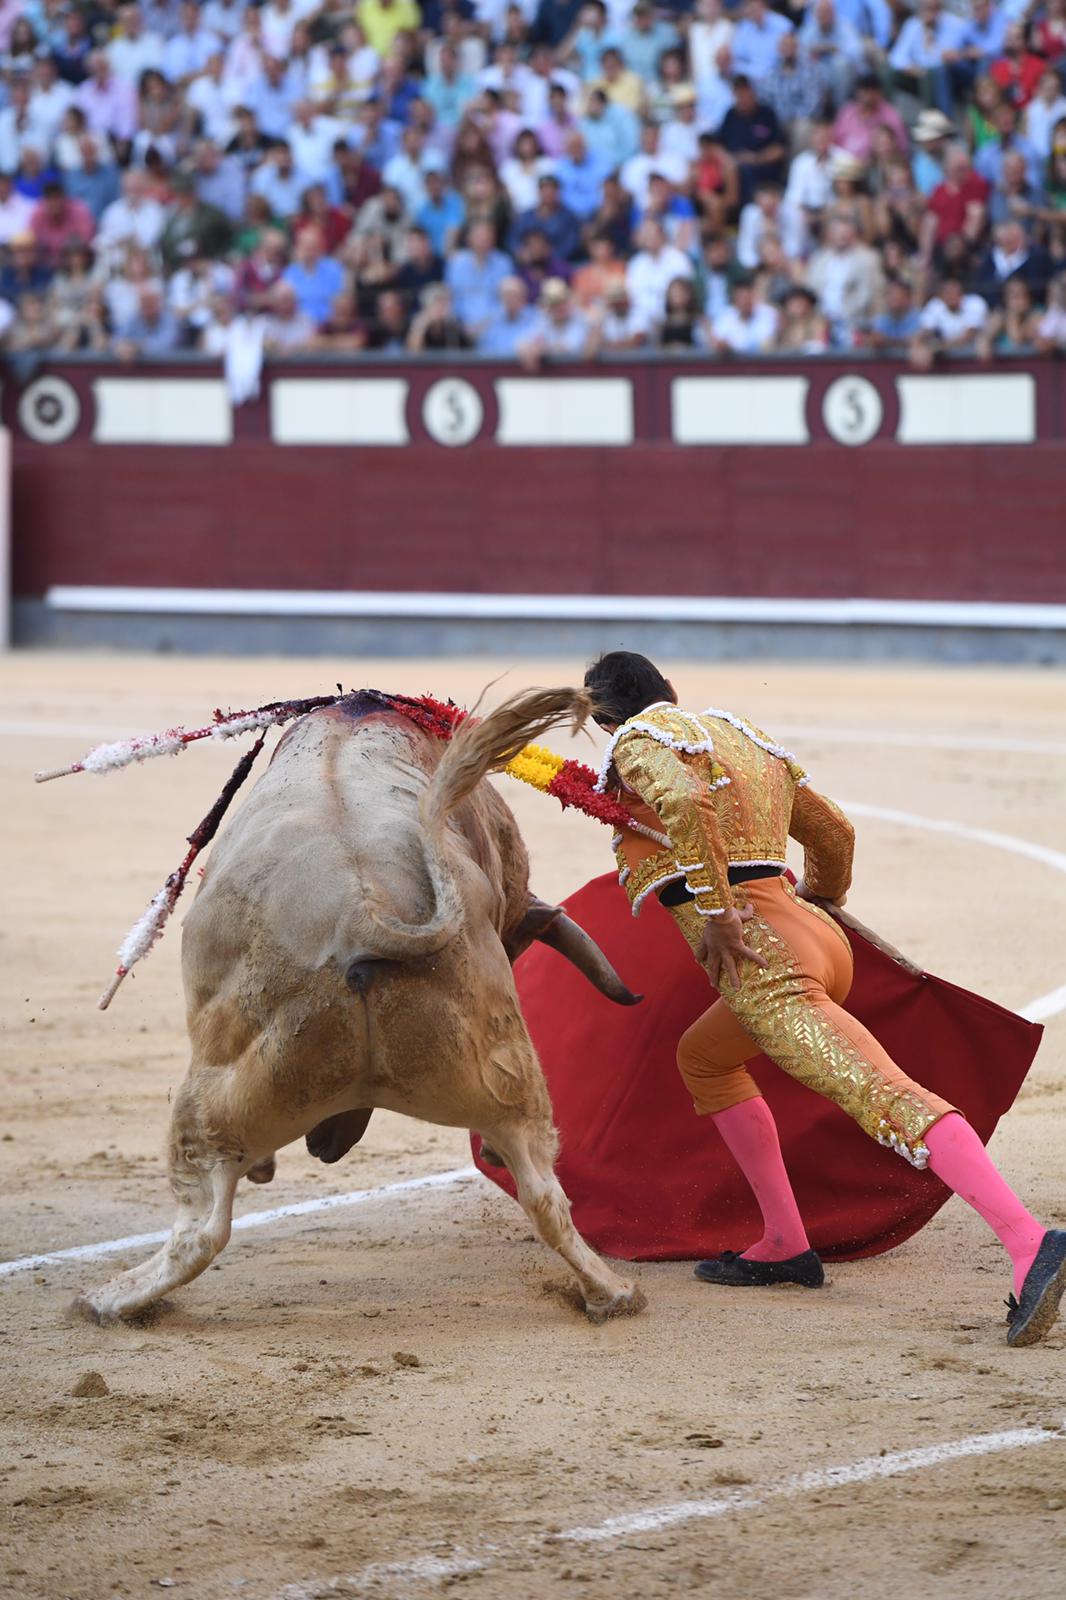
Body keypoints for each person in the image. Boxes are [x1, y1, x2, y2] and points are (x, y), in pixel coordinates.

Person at [580, 650, 1066, 1346]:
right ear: (671, 689)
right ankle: (783, 1241)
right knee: (706, 1060)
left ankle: (1028, 1243)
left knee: (887, 1094)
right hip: (813, 934)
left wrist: (719, 914)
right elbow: (833, 830)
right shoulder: (739, 733)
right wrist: (823, 902)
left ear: (603, 720)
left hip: (764, 958)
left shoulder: (636, 742)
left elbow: (684, 804)